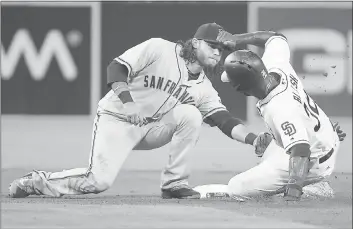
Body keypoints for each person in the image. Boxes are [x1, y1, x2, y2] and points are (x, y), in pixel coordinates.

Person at [9, 23, 271, 199]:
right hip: (116, 119)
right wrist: (129, 102)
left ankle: (174, 184)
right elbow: (116, 69)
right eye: (213, 45)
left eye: (222, 49)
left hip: (151, 128)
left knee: (191, 115)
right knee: (97, 182)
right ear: (195, 42)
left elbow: (223, 120)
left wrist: (252, 139)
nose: (218, 52)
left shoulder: (203, 86)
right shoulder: (159, 49)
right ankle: (36, 181)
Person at [193, 31, 347, 201]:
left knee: (237, 187)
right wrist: (237, 39)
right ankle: (298, 172)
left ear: (240, 89)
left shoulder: (279, 107)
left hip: (314, 159)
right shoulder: (274, 65)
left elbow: (301, 150)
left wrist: (294, 189)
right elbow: (276, 38)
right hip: (323, 136)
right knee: (266, 144)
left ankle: (313, 186)